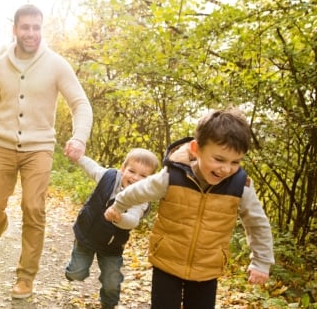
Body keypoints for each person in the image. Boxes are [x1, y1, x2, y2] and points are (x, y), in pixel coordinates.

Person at [0, 3, 93, 299]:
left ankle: (26, 276)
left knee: (33, 207)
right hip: (2, 145)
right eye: (25, 27)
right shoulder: (0, 65)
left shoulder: (56, 64)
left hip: (39, 148)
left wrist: (79, 138)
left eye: (37, 27)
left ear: (42, 29)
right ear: (14, 29)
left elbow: (80, 103)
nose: (31, 33)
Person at [105, 108, 275, 309]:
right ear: (196, 149)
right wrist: (119, 205)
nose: (226, 169)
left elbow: (257, 223)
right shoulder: (173, 176)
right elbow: (139, 191)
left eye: (235, 162)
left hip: (207, 268)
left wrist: (261, 262)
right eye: (219, 159)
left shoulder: (240, 186)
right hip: (166, 261)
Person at [65, 148, 159, 309]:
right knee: (76, 273)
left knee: (112, 281)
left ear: (150, 180)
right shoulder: (108, 177)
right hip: (87, 234)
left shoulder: (142, 199)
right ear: (122, 169)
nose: (136, 178)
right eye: (132, 171)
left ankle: (108, 304)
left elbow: (133, 220)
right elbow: (92, 167)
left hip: (112, 245)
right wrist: (79, 157)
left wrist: (120, 218)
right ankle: (73, 271)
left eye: (143, 176)